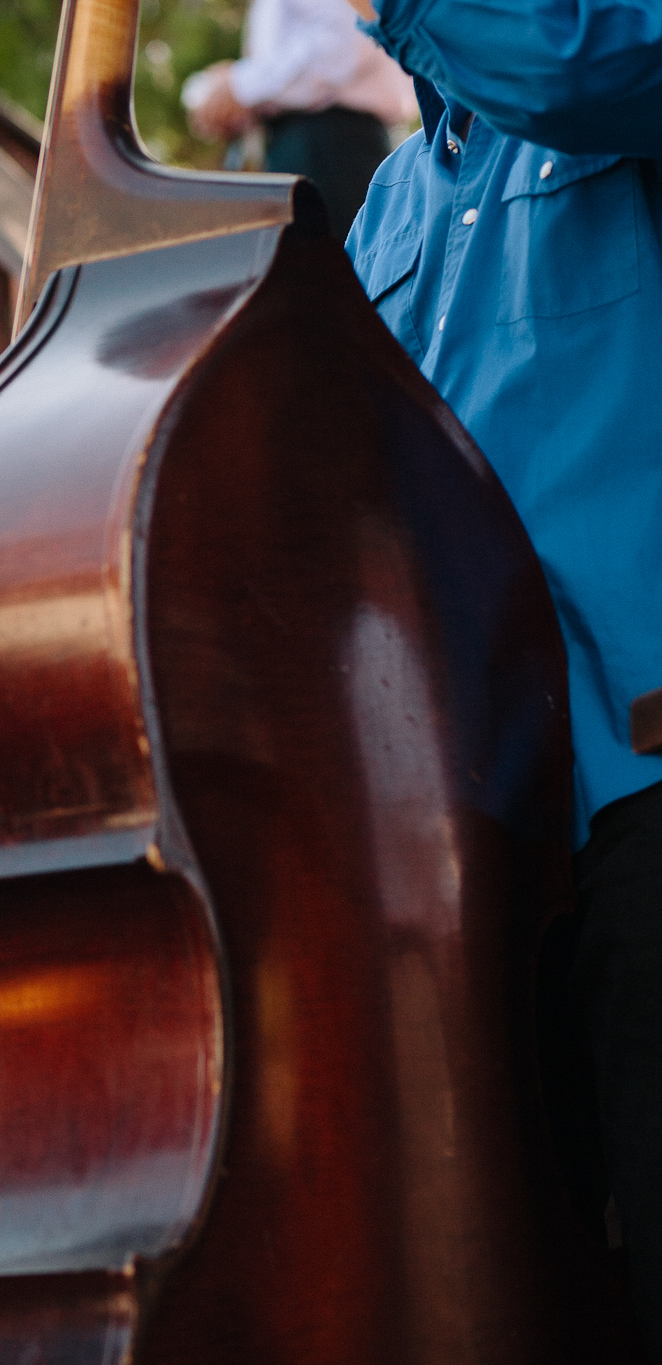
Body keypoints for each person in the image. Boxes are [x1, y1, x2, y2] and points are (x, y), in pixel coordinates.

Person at [339, 1, 662, 1354]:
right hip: (474, 833)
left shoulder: (615, 60)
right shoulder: (390, 203)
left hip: (646, 772)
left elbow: (581, 63)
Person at [184, 0, 417, 241]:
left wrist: (240, 86)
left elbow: (338, 46)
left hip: (333, 147)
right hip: (302, 145)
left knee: (335, 270)